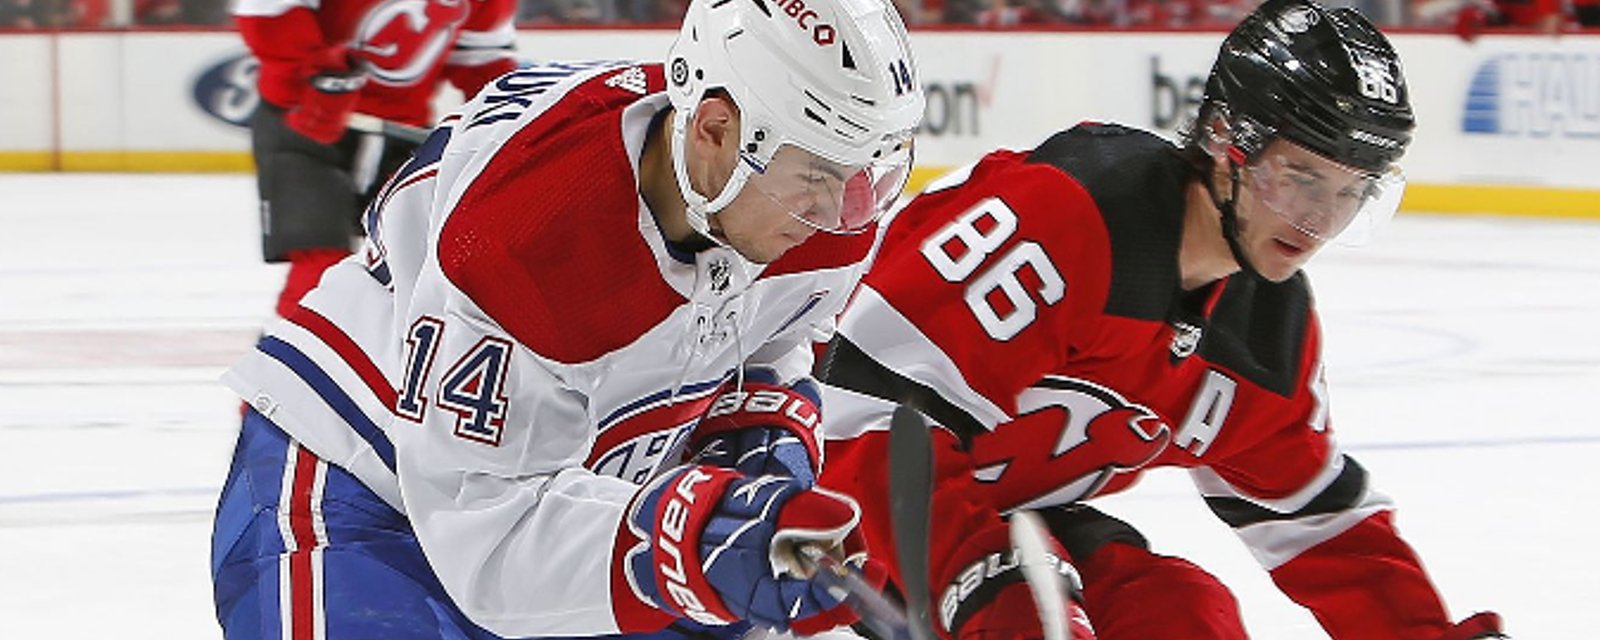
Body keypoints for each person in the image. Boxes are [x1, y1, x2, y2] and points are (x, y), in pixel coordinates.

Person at [209, 0, 925, 638]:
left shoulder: (819, 204)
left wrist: (759, 447)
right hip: (366, 487)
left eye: (870, 175)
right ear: (714, 129)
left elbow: (776, 341)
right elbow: (489, 540)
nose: (842, 213)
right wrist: (696, 542)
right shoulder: (531, 233)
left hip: (575, 489)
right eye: (819, 177)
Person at [816, 0, 1507, 638]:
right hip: (837, 507)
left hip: (1013, 518)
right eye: (1299, 177)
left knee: (1184, 615)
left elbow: (1316, 522)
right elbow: (857, 409)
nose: (1322, 220)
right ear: (1222, 138)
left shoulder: (1268, 329)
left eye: (1352, 191)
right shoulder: (1069, 217)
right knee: (1034, 614)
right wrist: (978, 581)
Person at [233, 0, 519, 321]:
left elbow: (483, 61)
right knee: (321, 262)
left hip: (399, 133)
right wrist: (313, 73)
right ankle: (288, 357)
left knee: (418, 262)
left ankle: (402, 357)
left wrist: (503, 122)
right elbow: (267, 12)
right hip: (304, 126)